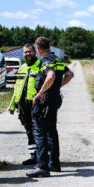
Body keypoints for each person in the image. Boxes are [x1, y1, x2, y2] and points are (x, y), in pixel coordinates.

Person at [26, 37, 74, 177]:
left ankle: (42, 167)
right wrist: (56, 87)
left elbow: (51, 75)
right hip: (54, 100)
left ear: (38, 49)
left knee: (40, 132)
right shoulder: (58, 60)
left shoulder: (46, 60)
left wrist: (40, 93)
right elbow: (70, 74)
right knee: (52, 131)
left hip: (45, 102)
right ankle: (54, 163)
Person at [8, 44, 40, 165]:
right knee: (28, 131)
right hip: (23, 104)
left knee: (39, 130)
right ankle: (33, 155)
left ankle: (43, 155)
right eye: (25, 52)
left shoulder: (41, 66)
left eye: (30, 51)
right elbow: (17, 88)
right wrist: (12, 105)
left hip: (36, 103)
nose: (28, 54)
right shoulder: (22, 68)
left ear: (35, 52)